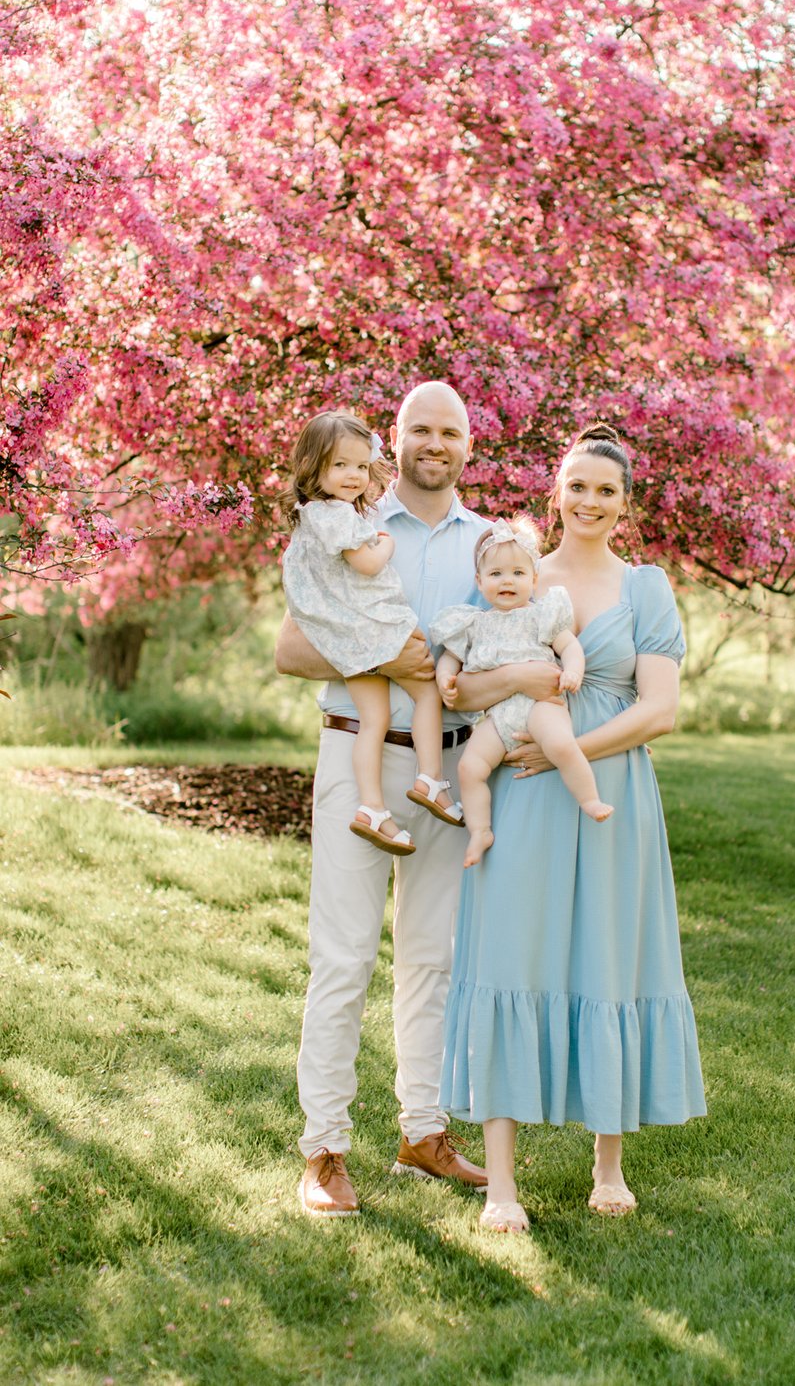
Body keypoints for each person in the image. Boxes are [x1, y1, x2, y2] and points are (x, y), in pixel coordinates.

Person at [276, 382, 555, 1216]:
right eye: (420, 430)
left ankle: (422, 1132)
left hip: (454, 769)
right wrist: (393, 661)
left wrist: (512, 681)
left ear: (469, 443)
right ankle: (323, 1150)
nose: (436, 443)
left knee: (433, 958)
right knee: (344, 957)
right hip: (356, 759)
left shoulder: (493, 544)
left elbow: (517, 645)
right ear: (394, 443)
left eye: (451, 431)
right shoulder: (346, 520)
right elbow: (293, 648)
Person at [440, 422, 706, 1233]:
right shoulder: (513, 575)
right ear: (554, 492)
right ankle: (501, 1186)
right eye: (577, 485)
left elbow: (658, 710)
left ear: (625, 505)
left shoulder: (646, 588)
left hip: (607, 790)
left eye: (606, 490)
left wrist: (565, 754)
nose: (589, 501)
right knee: (509, 953)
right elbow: (463, 684)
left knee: (608, 958)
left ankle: (608, 1166)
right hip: (519, 790)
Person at [280, 410, 463, 856]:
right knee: (427, 693)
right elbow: (366, 564)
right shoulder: (339, 517)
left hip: (348, 637)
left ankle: (372, 809)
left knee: (373, 722)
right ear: (313, 466)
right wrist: (385, 544)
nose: (353, 475)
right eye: (340, 465)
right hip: (374, 629)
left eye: (361, 467)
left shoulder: (314, 517)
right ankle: (431, 779)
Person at [431, 516, 613, 868]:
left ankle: (589, 799)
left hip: (541, 703)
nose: (507, 581)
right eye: (496, 574)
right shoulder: (474, 623)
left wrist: (573, 670)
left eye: (517, 573)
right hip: (498, 715)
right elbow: (450, 659)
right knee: (470, 767)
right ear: (479, 581)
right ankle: (480, 830)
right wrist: (445, 678)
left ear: (534, 578)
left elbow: (570, 646)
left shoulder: (541, 615)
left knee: (560, 744)